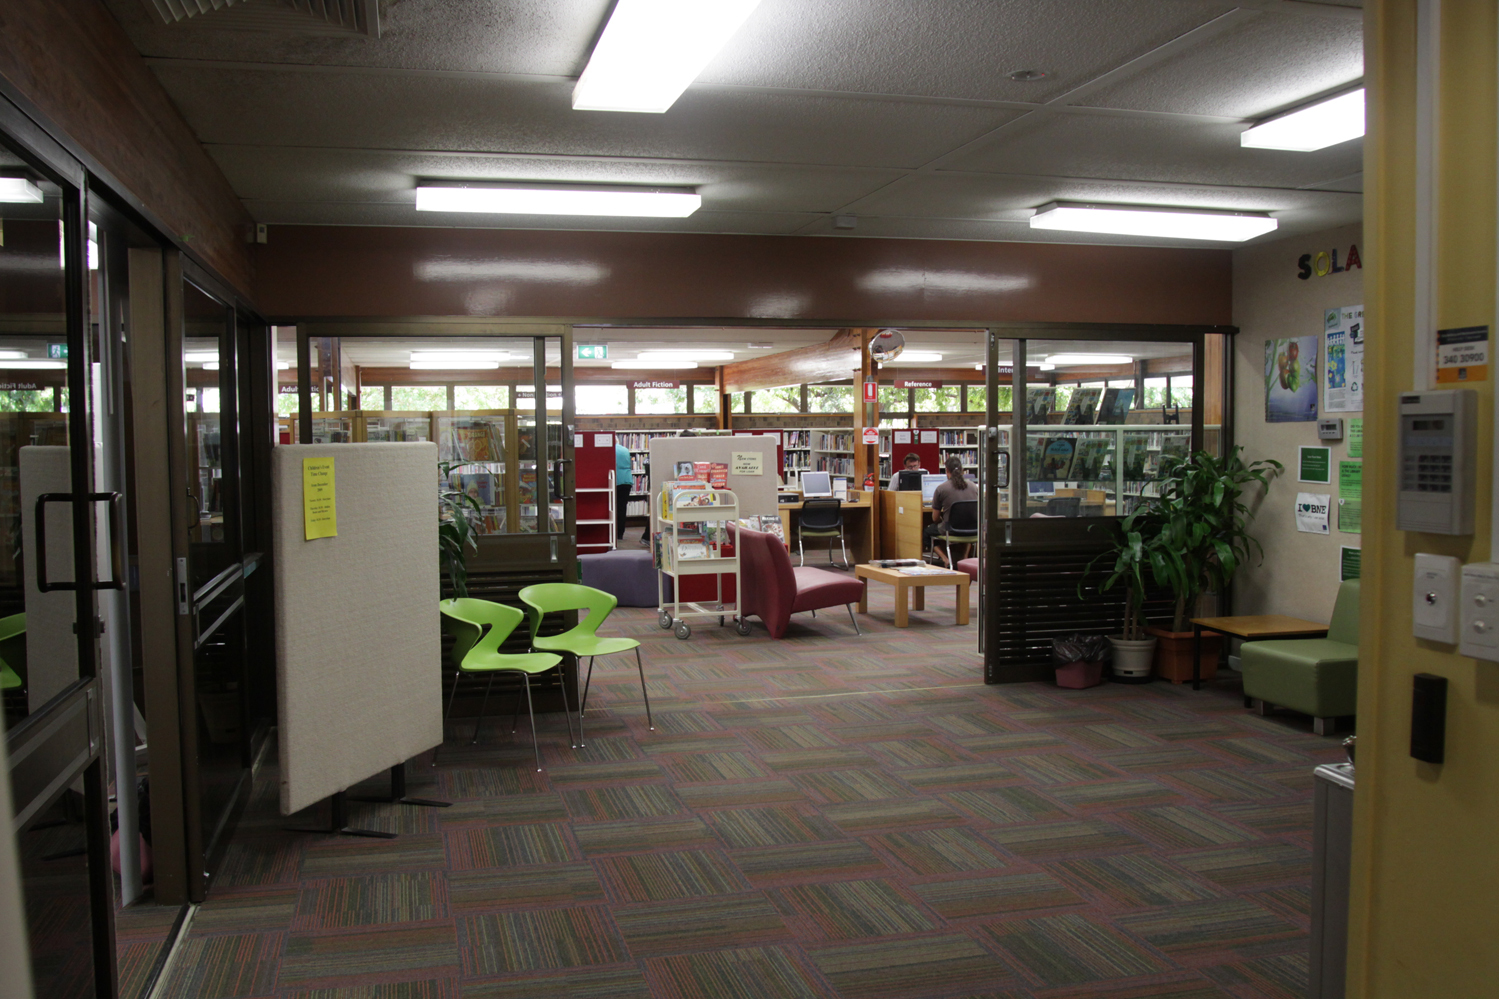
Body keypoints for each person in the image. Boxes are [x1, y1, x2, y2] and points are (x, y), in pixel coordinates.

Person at [924, 455, 976, 565]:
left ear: (947, 470)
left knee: (927, 532)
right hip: (973, 530)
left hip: (951, 530)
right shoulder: (974, 487)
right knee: (965, 523)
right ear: (962, 470)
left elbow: (935, 518)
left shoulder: (941, 488)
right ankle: (964, 557)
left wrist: (943, 519)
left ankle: (944, 558)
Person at [614, 440, 634, 540]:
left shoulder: (610, 450)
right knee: (622, 508)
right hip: (626, 480)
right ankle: (620, 533)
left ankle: (613, 532)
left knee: (613, 508)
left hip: (616, 480)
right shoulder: (625, 449)